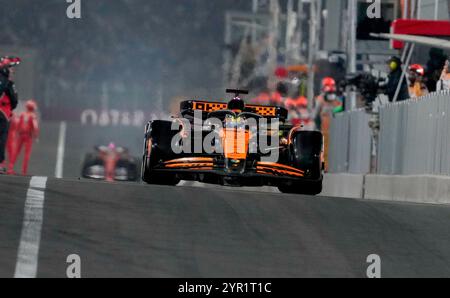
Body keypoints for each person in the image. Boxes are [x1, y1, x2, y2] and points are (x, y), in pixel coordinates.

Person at [8, 100, 39, 176]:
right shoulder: (33, 116)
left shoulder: (22, 114)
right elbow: (35, 127)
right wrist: (36, 135)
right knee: (27, 154)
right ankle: (24, 171)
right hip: (28, 136)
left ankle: (10, 168)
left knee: (16, 152)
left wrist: (17, 133)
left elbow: (18, 124)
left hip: (20, 135)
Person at [0, 56, 20, 172]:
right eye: (11, 68)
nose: (13, 71)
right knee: (2, 138)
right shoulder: (7, 82)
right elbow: (14, 100)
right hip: (3, 113)